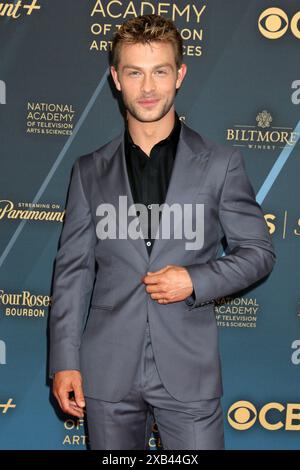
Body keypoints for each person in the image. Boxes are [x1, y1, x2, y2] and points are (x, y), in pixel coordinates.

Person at [49, 14, 275, 450]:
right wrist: (65, 361)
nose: (148, 88)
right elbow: (72, 274)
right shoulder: (88, 171)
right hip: (106, 370)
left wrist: (196, 279)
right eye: (135, 72)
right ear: (116, 78)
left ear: (180, 75)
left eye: (160, 72)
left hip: (188, 369)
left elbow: (258, 251)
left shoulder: (221, 164)